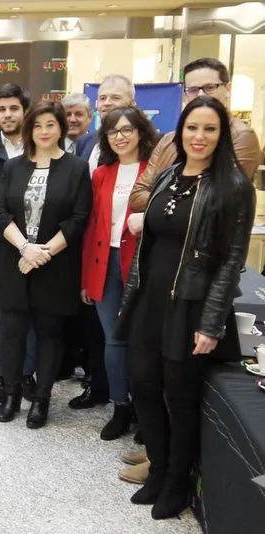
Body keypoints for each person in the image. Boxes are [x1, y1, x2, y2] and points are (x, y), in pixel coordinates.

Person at [117, 96, 253, 519]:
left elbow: (232, 262)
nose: (199, 137)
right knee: (142, 385)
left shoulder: (233, 187)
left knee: (179, 397)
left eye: (210, 129)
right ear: (181, 130)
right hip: (149, 299)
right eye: (192, 128)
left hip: (191, 307)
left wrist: (211, 323)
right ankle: (158, 469)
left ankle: (178, 482)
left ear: (222, 135)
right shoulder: (170, 175)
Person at [0, 100, 92, 429]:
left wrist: (42, 252)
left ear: (61, 128)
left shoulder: (76, 168)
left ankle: (42, 399)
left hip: (55, 265)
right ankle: (11, 394)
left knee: (50, 335)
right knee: (12, 333)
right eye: (37, 125)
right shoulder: (14, 167)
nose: (44, 131)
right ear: (28, 130)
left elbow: (79, 218)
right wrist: (24, 248)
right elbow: (0, 213)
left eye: (50, 124)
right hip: (15, 263)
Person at [80, 107, 159, 441]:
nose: (121, 136)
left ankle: (146, 412)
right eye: (114, 132)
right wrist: (86, 278)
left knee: (141, 341)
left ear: (140, 132)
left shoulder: (156, 172)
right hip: (103, 262)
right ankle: (119, 406)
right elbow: (91, 227)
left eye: (127, 129)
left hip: (141, 265)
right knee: (113, 339)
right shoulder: (101, 173)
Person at [70, 75, 136, 411]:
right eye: (103, 98)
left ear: (132, 105)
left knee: (127, 332)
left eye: (115, 97)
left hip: (127, 256)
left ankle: (130, 401)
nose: (107, 103)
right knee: (95, 327)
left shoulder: (149, 157)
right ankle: (97, 386)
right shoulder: (86, 144)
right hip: (90, 251)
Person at [129, 57, 262, 212]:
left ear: (228, 89)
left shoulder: (241, 136)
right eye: (193, 90)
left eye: (209, 87)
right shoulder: (169, 139)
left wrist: (154, 208)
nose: (200, 95)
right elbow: (137, 197)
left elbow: (216, 199)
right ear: (185, 95)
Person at [0, 83, 38, 403]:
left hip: (39, 249)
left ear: (25, 112)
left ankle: (26, 374)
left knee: (31, 312)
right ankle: (1, 374)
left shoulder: (41, 148)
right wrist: (10, 236)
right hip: (0, 247)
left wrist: (32, 243)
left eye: (14, 108)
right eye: (2, 109)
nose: (8, 114)